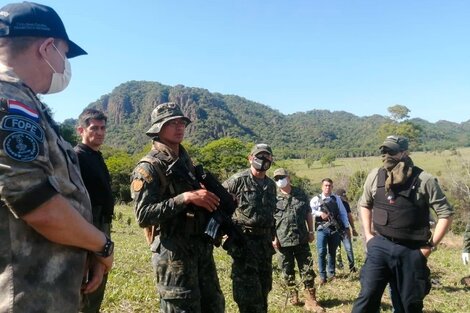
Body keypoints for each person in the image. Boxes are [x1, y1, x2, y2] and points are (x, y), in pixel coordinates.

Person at [0, 2, 113, 312]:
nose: (65, 64)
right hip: (23, 297)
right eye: (64, 53)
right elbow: (37, 204)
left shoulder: (26, 103)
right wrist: (102, 245)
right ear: (47, 48)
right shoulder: (9, 102)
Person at [130, 102, 225, 313]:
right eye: (171, 123)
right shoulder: (149, 167)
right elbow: (143, 215)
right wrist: (185, 198)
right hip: (173, 255)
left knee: (214, 305)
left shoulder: (186, 162)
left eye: (181, 122)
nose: (179, 126)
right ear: (158, 128)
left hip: (200, 249)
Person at [352, 135, 454, 313]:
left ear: (405, 153)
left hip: (411, 250)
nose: (386, 155)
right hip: (380, 246)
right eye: (384, 151)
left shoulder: (424, 180)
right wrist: (368, 235)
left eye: (391, 151)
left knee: (408, 306)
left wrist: (429, 246)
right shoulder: (376, 176)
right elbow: (364, 204)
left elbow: (445, 214)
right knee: (366, 299)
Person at [223, 143, 277, 313]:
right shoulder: (238, 180)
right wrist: (225, 231)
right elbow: (218, 202)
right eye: (259, 156)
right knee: (247, 294)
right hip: (244, 243)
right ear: (250, 158)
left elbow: (271, 214)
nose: (262, 160)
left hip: (265, 244)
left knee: (264, 289)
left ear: (271, 160)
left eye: (266, 157)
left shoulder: (271, 185)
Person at [75, 109, 115, 313]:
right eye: (94, 128)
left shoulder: (96, 157)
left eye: (102, 128)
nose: (100, 132)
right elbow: (79, 207)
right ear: (81, 130)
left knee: (95, 294)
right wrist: (94, 254)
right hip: (86, 233)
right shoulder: (77, 158)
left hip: (101, 229)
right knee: (85, 296)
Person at [272, 168, 324, 312]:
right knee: (287, 270)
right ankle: (293, 295)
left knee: (306, 268)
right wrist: (273, 237)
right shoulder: (272, 196)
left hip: (301, 238)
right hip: (282, 240)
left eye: (281, 177)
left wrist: (311, 231)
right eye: (276, 178)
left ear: (288, 178)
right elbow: (270, 219)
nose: (279, 180)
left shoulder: (300, 193)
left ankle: (311, 300)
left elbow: (308, 212)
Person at [310, 178, 350, 284]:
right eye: (325, 185)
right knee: (321, 252)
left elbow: (342, 213)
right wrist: (320, 214)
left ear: (332, 187)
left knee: (332, 252)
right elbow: (310, 211)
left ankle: (331, 273)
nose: (327, 187)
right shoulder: (315, 199)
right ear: (322, 187)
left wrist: (346, 227)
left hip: (334, 229)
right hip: (321, 229)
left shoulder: (337, 199)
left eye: (329, 186)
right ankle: (322, 276)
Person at [334, 188, 357, 273]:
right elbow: (349, 217)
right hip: (339, 229)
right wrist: (353, 228)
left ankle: (347, 267)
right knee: (344, 249)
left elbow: (349, 216)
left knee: (341, 249)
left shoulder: (343, 203)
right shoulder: (340, 203)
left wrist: (353, 228)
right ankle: (348, 267)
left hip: (340, 229)